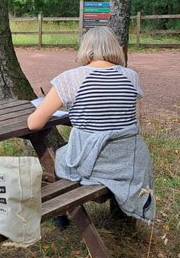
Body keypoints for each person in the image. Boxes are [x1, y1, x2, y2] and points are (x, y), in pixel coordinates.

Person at [27, 28, 154, 223]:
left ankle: (61, 212)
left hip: (92, 164)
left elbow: (35, 124)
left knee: (60, 157)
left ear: (85, 48)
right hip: (131, 163)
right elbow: (127, 118)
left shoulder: (70, 79)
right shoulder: (131, 76)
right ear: (115, 48)